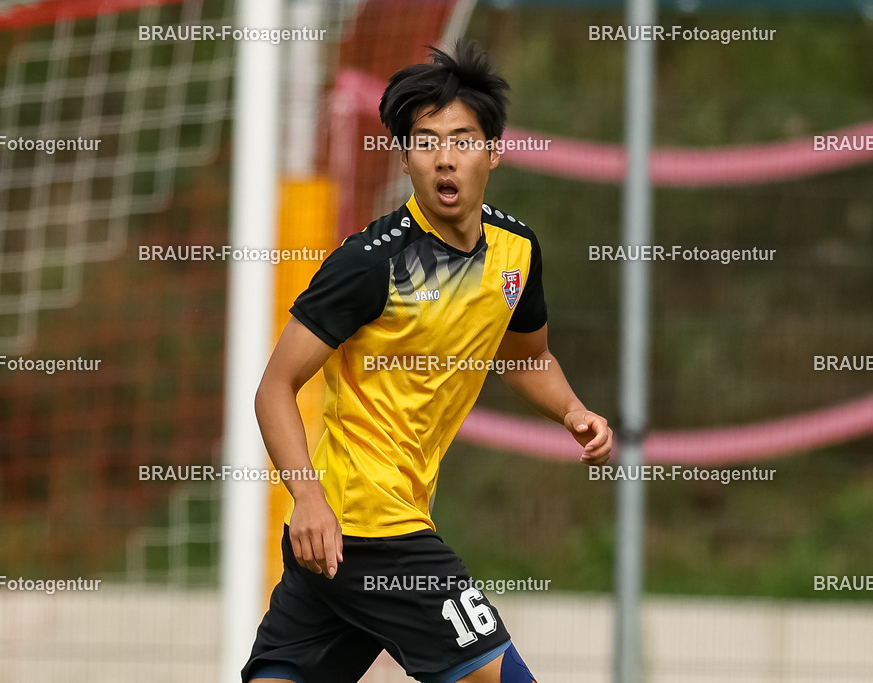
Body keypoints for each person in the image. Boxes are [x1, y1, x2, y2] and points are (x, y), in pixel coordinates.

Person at [243, 40, 612, 683]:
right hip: (370, 525)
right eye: (425, 140)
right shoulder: (370, 263)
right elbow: (275, 387)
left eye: (463, 139)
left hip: (341, 541)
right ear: (405, 159)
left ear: (494, 152)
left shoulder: (515, 251)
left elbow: (529, 357)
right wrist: (306, 497)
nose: (445, 157)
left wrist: (574, 411)